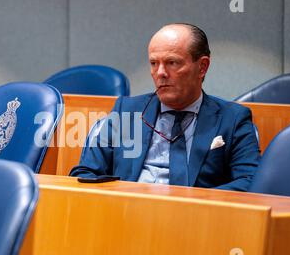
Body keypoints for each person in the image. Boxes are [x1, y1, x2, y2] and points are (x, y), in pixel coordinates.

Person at [70, 23, 261, 191]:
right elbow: (86, 172)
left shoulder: (233, 118)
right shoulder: (127, 111)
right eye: (154, 63)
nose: (160, 73)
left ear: (202, 67)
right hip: (127, 214)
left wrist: (196, 203)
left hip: (196, 221)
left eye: (172, 62)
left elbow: (250, 180)